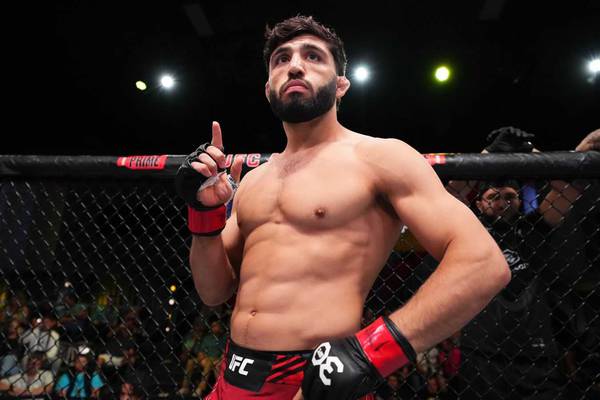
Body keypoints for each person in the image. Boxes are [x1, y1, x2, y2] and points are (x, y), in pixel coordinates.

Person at [175, 15, 510, 400]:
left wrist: (369, 354)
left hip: (319, 381)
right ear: (268, 88)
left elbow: (484, 264)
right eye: (281, 59)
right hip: (232, 376)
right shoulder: (253, 180)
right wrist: (204, 214)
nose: (295, 66)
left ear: (341, 85)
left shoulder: (380, 158)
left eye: (313, 56)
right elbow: (213, 291)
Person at [454, 127, 599, 399]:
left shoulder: (534, 229)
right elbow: (449, 195)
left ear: (520, 201)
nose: (502, 203)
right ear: (480, 204)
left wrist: (530, 153)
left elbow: (567, 188)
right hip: (482, 353)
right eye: (494, 197)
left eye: (509, 196)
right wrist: (488, 154)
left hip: (535, 352)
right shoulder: (467, 228)